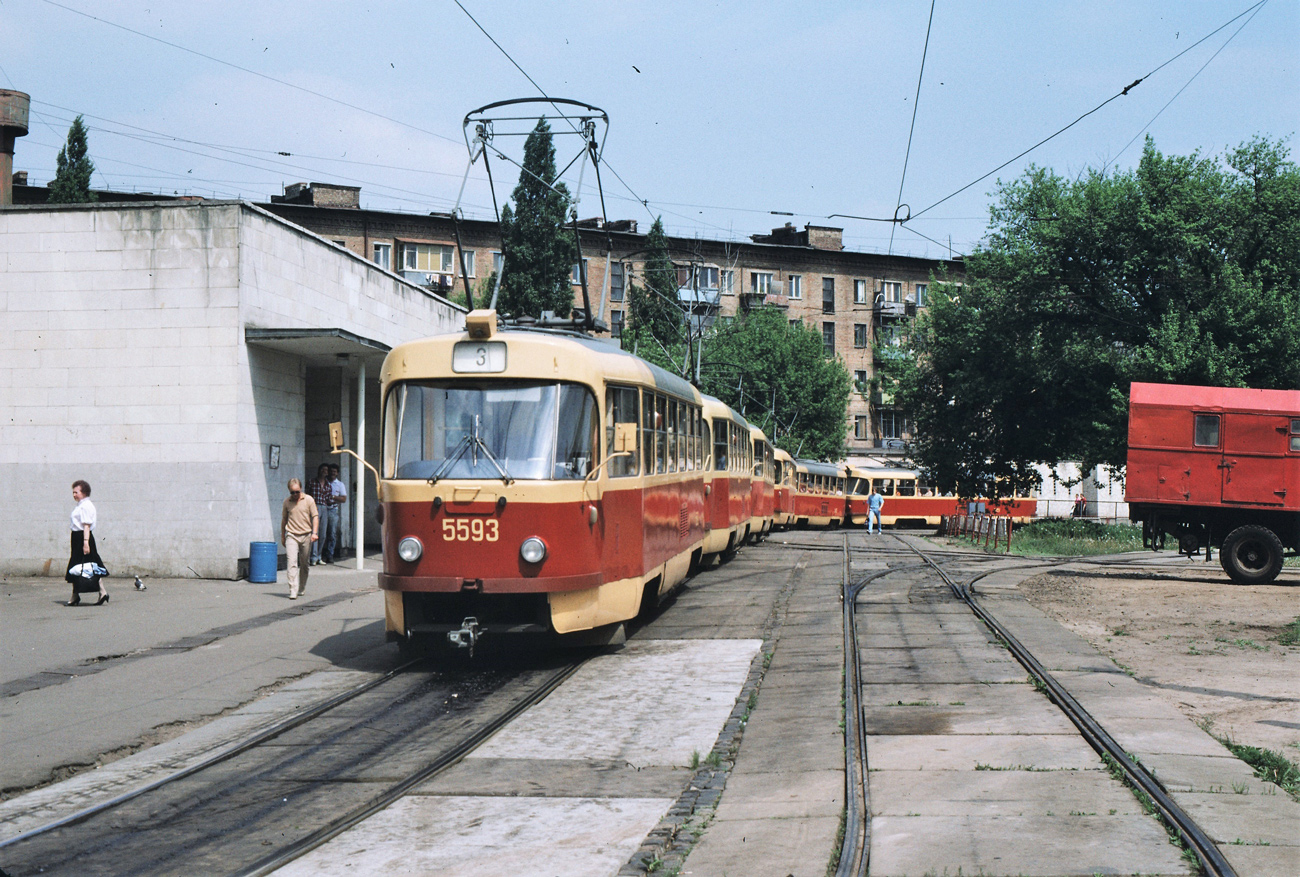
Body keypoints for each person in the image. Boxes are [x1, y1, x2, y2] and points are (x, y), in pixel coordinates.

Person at [65, 480, 109, 606]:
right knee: (78, 567)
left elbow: (86, 525)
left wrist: (85, 542)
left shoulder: (86, 506)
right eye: (73, 492)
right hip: (77, 537)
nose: (74, 495)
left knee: (88, 566)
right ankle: (97, 593)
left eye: (76, 492)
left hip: (83, 537)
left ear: (84, 492)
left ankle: (80, 595)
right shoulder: (80, 505)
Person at [280, 478, 319, 600]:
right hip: (291, 535)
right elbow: (284, 520)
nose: (295, 495)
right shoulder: (287, 502)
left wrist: (314, 533)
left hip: (306, 535)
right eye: (292, 492)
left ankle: (302, 587)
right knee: (291, 562)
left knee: (304, 564)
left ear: (301, 489)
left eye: (297, 492)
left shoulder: (308, 500)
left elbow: (315, 517)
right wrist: (282, 535)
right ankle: (293, 589)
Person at [307, 464, 332, 565]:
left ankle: (319, 556)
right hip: (314, 506)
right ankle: (313, 557)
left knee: (323, 534)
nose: (324, 471)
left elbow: (329, 498)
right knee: (314, 532)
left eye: (326, 470)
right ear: (319, 470)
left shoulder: (328, 484)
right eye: (323, 469)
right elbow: (307, 494)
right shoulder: (311, 481)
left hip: (324, 507)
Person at [323, 463, 348, 563]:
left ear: (337, 473)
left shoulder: (340, 484)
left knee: (332, 533)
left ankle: (330, 555)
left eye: (335, 472)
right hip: (323, 509)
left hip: (333, 510)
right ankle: (319, 555)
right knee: (321, 533)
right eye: (331, 471)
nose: (333, 473)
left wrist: (332, 497)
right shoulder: (324, 482)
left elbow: (343, 498)